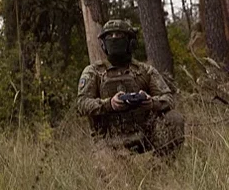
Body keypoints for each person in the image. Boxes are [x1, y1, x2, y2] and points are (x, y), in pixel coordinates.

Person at [76, 19, 185, 156]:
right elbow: (81, 103)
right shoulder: (94, 72)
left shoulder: (144, 70)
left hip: (145, 136)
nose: (114, 39)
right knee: (111, 173)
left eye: (119, 35)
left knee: (174, 118)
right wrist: (109, 104)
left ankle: (161, 165)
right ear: (103, 44)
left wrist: (151, 102)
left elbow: (168, 98)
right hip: (108, 141)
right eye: (110, 36)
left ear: (131, 42)